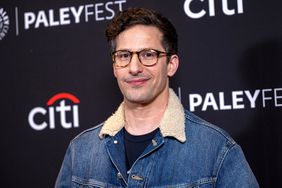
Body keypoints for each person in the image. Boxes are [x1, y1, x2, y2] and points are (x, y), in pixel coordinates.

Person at [55, 8, 259, 187]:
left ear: (171, 65)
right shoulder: (80, 151)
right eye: (124, 56)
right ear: (115, 67)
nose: (134, 68)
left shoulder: (216, 151)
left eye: (148, 54)